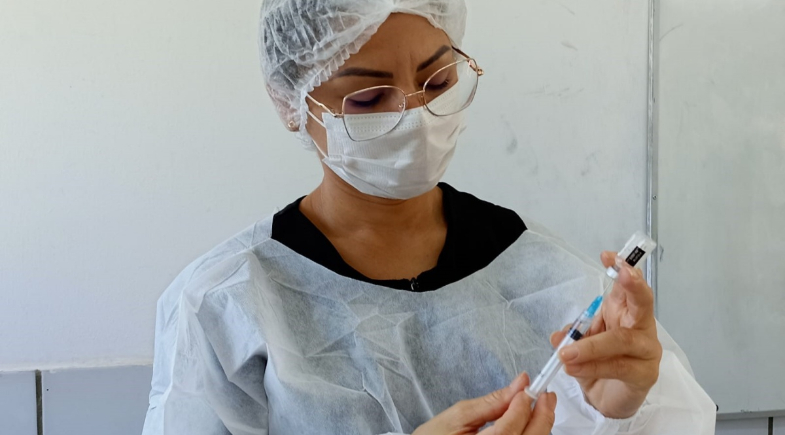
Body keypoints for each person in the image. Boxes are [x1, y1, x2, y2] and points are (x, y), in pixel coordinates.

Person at [142, 1, 716, 434]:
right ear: (289, 103)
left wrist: (619, 412)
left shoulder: (544, 273)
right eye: (368, 99)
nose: (415, 116)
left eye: (438, 81)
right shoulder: (227, 306)